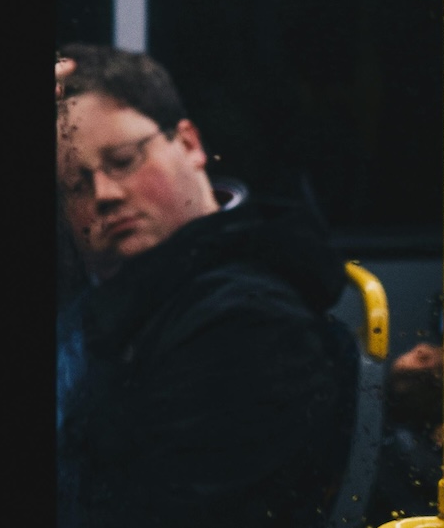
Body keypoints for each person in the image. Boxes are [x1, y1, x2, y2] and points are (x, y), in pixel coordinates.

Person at [54, 45, 355, 528]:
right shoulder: (141, 298)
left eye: (124, 160)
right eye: (75, 186)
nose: (104, 195)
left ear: (190, 144)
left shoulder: (244, 325)